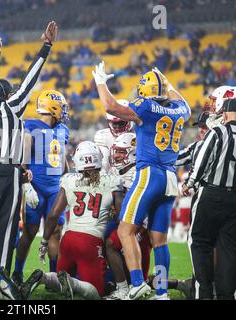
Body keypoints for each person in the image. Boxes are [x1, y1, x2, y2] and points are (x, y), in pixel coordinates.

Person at [93, 62, 191, 300]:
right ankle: (162, 293)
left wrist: (100, 82)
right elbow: (185, 103)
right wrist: (165, 83)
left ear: (145, 92)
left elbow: (110, 106)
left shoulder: (146, 107)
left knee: (126, 230)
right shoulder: (180, 109)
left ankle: (137, 283)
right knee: (159, 240)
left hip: (149, 174)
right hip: (170, 178)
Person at [0, 22, 57, 276]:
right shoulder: (11, 108)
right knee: (6, 225)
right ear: (8, 96)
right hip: (6, 172)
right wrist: (46, 46)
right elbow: (30, 80)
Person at [28, 141, 124, 299]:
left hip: (68, 240)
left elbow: (53, 214)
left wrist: (44, 241)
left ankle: (44, 277)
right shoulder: (111, 181)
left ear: (78, 160)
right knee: (95, 292)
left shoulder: (69, 180)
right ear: (98, 158)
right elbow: (121, 216)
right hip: (90, 242)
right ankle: (73, 283)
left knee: (60, 281)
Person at [12, 90, 70, 286]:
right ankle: (17, 272)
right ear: (52, 107)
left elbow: (62, 158)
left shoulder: (63, 129)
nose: (63, 111)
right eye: (61, 107)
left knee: (56, 231)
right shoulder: (30, 125)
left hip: (55, 188)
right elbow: (23, 158)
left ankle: (53, 278)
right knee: (29, 231)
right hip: (36, 188)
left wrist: (70, 178)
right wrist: (25, 183)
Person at [183, 98, 236, 300]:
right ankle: (226, 295)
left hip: (211, 194)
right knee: (228, 249)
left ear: (226, 114)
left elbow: (202, 160)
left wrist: (190, 183)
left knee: (199, 243)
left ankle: (204, 292)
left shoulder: (218, 132)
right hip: (234, 200)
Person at [104, 132, 151, 299]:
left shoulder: (138, 174)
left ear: (134, 153)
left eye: (122, 152)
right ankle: (124, 285)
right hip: (126, 224)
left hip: (138, 227)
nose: (116, 155)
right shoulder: (120, 171)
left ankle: (123, 288)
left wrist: (140, 231)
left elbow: (146, 206)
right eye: (116, 151)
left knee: (111, 244)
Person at [94, 101, 132, 172]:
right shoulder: (103, 136)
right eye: (114, 124)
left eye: (121, 123)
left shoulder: (137, 133)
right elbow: (104, 164)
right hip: (113, 175)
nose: (117, 127)